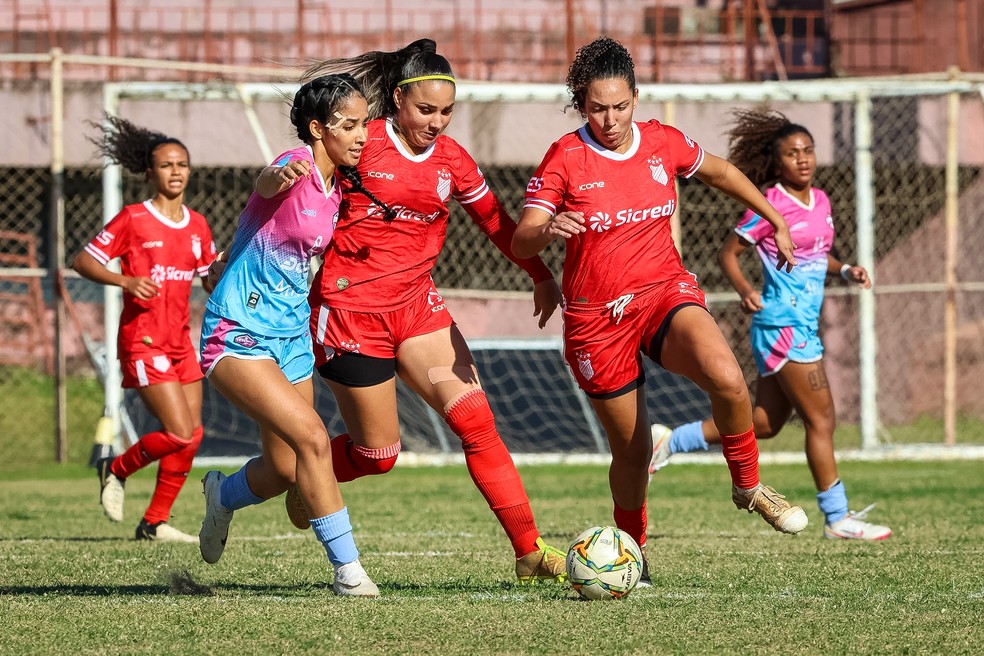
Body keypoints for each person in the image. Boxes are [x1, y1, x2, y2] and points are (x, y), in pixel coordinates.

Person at [511, 37, 810, 582]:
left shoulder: (661, 142)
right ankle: (635, 554)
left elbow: (721, 173)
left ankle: (749, 488)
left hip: (663, 294)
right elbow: (521, 237)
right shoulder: (565, 157)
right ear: (581, 104)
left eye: (620, 106)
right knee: (632, 451)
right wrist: (548, 229)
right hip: (596, 320)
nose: (610, 120)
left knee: (728, 379)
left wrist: (776, 219)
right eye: (597, 108)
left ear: (636, 97)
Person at [292, 38, 568, 583]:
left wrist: (540, 274)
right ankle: (303, 477)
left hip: (418, 309)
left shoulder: (451, 159)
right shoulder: (362, 142)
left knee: (477, 422)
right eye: (426, 110)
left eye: (446, 111)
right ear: (397, 100)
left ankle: (529, 551)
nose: (437, 122)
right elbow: (302, 189)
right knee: (378, 455)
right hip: (351, 313)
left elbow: (496, 222)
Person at [648, 108, 892, 541]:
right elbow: (729, 253)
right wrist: (745, 289)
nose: (803, 158)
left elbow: (815, 254)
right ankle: (838, 518)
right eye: (792, 153)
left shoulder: (821, 201)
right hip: (783, 324)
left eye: (808, 150)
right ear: (777, 162)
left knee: (764, 422)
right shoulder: (771, 204)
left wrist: (845, 269)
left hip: (801, 324)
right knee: (822, 420)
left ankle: (671, 440)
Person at [198, 74, 386, 597]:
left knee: (284, 468)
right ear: (318, 128)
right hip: (239, 332)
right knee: (312, 438)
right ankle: (349, 572)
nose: (361, 135)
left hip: (291, 335)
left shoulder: (337, 187)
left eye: (364, 124)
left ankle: (222, 496)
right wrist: (279, 175)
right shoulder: (293, 165)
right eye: (349, 125)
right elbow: (266, 184)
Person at [75, 117, 215, 543]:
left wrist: (231, 268)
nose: (176, 172)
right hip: (143, 340)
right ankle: (115, 467)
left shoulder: (197, 225)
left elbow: (208, 278)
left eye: (182, 164)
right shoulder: (134, 218)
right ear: (150, 173)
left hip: (180, 342)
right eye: (167, 165)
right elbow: (83, 261)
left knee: (192, 436)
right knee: (178, 431)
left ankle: (154, 522)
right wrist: (125, 280)